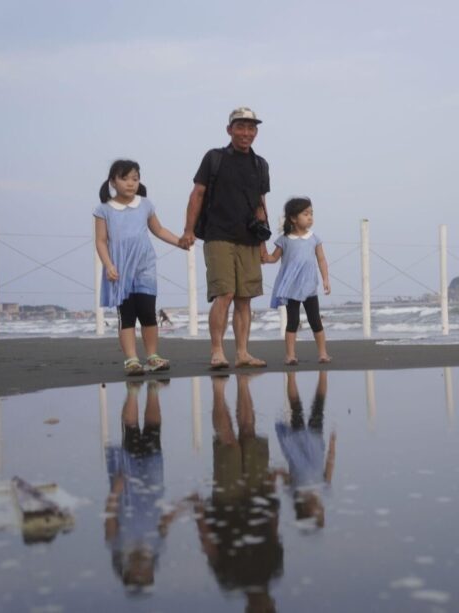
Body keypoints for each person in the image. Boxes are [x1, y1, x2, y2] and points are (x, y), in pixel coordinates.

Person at [179, 107, 271, 371]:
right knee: (225, 293)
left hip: (249, 239)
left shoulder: (260, 164)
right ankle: (217, 351)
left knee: (245, 297)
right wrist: (188, 230)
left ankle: (242, 352)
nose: (246, 133)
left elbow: (260, 205)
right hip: (218, 235)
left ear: (256, 132)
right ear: (229, 129)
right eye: (240, 127)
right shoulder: (214, 158)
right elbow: (197, 194)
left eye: (251, 128)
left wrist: (263, 244)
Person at [188, 374, 283, 612]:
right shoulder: (274, 570)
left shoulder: (230, 581)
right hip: (259, 497)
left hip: (226, 505)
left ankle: (219, 393)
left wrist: (200, 514)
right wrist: (272, 491)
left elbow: (210, 546)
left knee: (228, 442)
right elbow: (273, 530)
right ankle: (242, 384)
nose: (265, 607)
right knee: (249, 432)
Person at [94, 159, 186, 376]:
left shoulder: (145, 204)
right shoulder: (103, 209)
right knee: (126, 314)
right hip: (119, 267)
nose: (130, 183)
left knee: (147, 312)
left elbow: (159, 230)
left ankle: (152, 357)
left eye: (135, 178)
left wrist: (180, 242)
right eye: (124, 178)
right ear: (113, 182)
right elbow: (100, 241)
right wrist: (108, 265)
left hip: (145, 266)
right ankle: (132, 360)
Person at [104, 380, 183, 592]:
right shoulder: (156, 547)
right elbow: (165, 521)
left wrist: (116, 489)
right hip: (153, 484)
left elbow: (111, 515)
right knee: (153, 433)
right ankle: (153, 392)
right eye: (146, 573)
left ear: (126, 570)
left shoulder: (118, 545)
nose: (142, 567)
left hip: (128, 490)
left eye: (137, 573)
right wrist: (185, 505)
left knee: (130, 435)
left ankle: (132, 392)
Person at [263, 197, 331, 365]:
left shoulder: (314, 238)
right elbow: (272, 258)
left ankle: (323, 354)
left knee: (315, 320)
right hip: (291, 288)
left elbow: (321, 260)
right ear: (293, 218)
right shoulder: (284, 239)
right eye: (305, 214)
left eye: (311, 214)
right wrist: (261, 252)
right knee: (292, 322)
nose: (310, 217)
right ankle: (290, 355)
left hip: (309, 287)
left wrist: (325, 279)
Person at [276, 371, 336, 531]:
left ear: (308, 511)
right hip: (313, 442)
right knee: (317, 406)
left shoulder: (296, 491)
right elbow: (330, 464)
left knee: (298, 408)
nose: (321, 508)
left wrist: (276, 474)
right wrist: (332, 444)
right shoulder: (320, 488)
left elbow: (283, 474)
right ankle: (322, 375)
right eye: (322, 512)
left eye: (319, 512)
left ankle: (291, 376)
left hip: (300, 443)